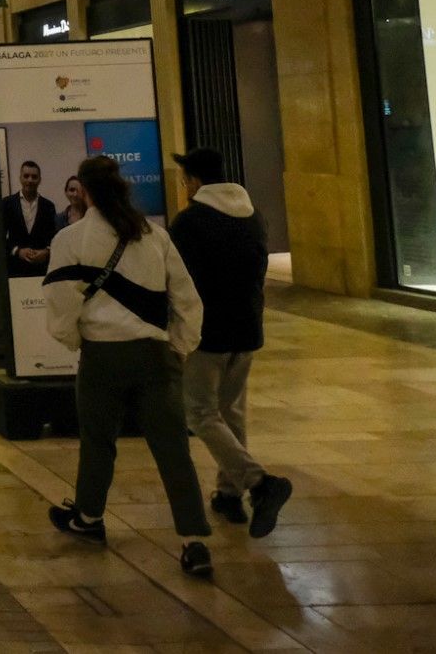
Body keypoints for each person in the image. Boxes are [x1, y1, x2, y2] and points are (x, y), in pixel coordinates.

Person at [44, 156, 214, 579]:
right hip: (155, 356)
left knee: (98, 442)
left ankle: (88, 518)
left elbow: (62, 302)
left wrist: (72, 340)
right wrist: (179, 347)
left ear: (83, 190)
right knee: (173, 449)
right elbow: (187, 298)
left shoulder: (70, 239)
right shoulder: (154, 236)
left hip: (102, 355)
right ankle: (195, 543)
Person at [168, 147, 293, 538]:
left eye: (185, 179)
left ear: (195, 181)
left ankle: (258, 483)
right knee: (231, 412)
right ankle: (228, 495)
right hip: (247, 330)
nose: (184, 186)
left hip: (208, 334)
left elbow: (178, 281)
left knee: (201, 413)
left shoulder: (190, 223)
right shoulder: (253, 216)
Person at [2, 160, 58, 278]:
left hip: (42, 269)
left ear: (40, 179)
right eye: (26, 176)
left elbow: (53, 236)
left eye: (34, 177)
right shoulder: (7, 204)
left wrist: (46, 252)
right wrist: (18, 251)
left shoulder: (48, 206)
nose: (30, 180)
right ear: (20, 178)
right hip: (15, 268)